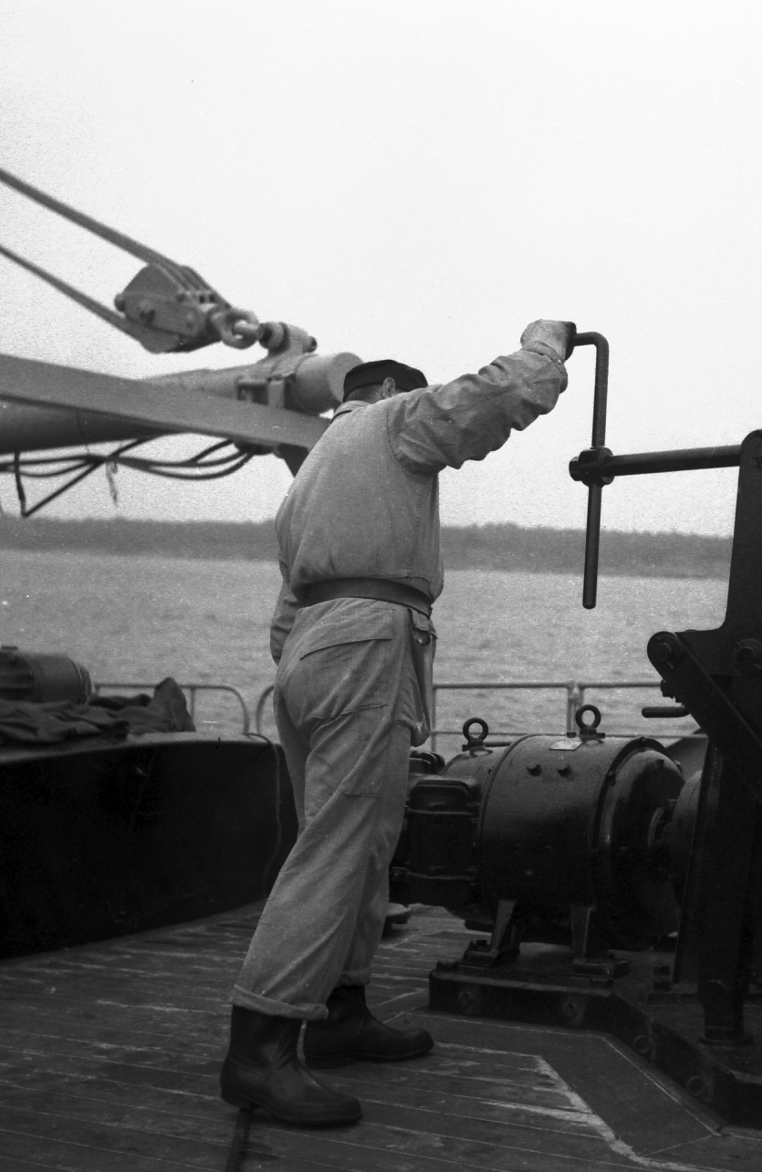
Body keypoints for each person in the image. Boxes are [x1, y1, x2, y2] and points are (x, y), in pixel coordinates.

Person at [219, 319, 575, 1127]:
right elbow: (502, 393)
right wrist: (545, 344)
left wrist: (315, 664)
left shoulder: (313, 472)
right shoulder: (389, 422)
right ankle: (259, 1049)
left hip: (312, 649)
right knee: (339, 846)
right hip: (366, 644)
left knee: (366, 840)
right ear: (383, 391)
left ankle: (338, 1012)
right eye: (411, 392)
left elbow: (286, 608)